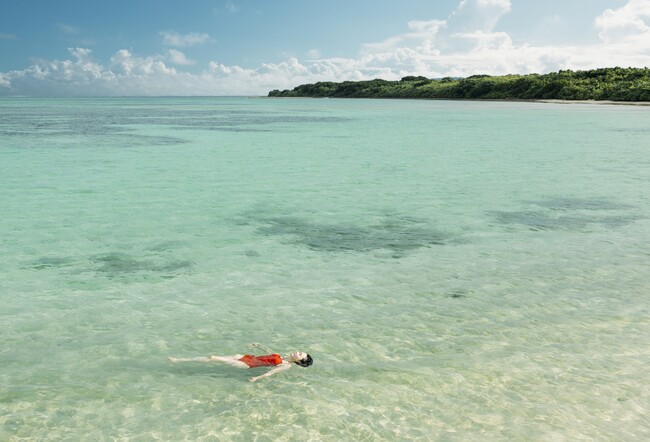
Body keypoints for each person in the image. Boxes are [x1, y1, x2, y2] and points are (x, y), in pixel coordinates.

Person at [168, 342, 313, 382]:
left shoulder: (286, 365)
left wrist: (257, 378)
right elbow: (270, 353)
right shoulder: (285, 356)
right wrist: (259, 346)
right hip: (247, 357)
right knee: (211, 358)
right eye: (299, 351)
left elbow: (271, 372)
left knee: (212, 357)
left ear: (299, 361)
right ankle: (179, 360)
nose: (297, 352)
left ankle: (179, 360)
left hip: (247, 364)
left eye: (300, 354)